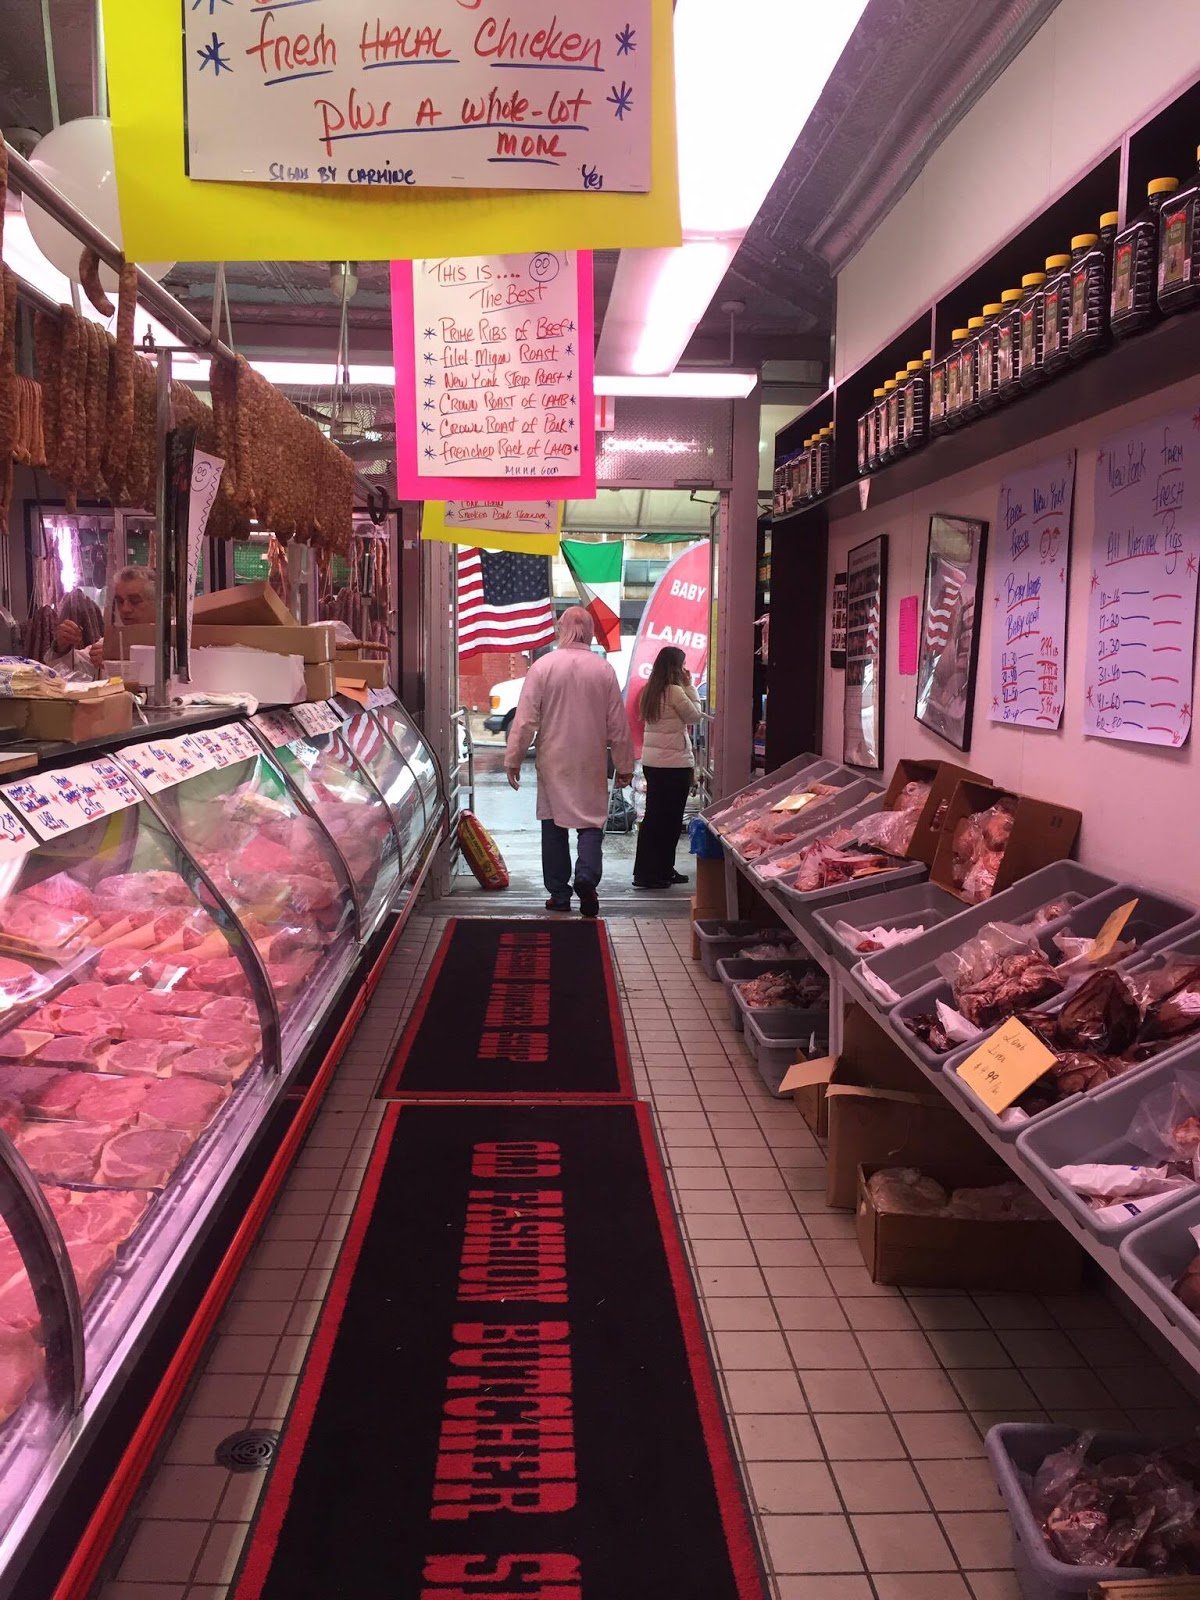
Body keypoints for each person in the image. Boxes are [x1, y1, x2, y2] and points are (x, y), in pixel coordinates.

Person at [505, 606, 634, 918]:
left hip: (553, 760)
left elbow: (524, 721)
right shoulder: (603, 670)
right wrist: (625, 765)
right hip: (590, 759)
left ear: (561, 629)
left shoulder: (543, 666)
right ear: (589, 631)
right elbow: (618, 724)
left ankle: (560, 895)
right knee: (590, 823)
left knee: (553, 824)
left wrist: (513, 760)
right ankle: (587, 878)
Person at [633, 646, 702, 890]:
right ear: (675, 667)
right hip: (674, 766)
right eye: (682, 665)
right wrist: (690, 686)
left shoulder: (650, 691)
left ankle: (649, 871)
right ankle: (661, 870)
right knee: (671, 821)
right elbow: (695, 716)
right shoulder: (675, 691)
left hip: (653, 764)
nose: (685, 670)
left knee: (653, 819)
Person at [43, 566, 155, 679]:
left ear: (156, 603)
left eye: (135, 601)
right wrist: (62, 648)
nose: (125, 609)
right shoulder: (108, 644)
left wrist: (118, 666)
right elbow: (68, 673)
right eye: (120, 601)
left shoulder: (170, 643)